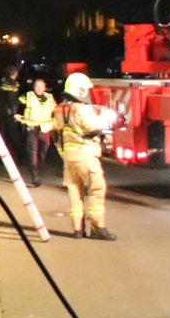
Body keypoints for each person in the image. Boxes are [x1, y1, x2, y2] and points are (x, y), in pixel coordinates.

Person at [54, 72, 117, 240]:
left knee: (75, 192)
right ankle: (98, 228)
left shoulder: (59, 109)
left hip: (69, 157)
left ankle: (77, 229)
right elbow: (92, 127)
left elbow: (56, 133)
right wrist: (104, 118)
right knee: (97, 188)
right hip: (86, 155)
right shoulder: (83, 109)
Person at [15, 76, 58, 187]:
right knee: (32, 151)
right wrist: (16, 114)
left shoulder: (49, 97)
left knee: (43, 151)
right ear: (33, 87)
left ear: (45, 87)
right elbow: (16, 103)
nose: (38, 88)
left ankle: (37, 166)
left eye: (41, 86)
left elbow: (56, 110)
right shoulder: (28, 96)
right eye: (36, 86)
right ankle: (34, 176)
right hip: (31, 127)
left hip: (45, 128)